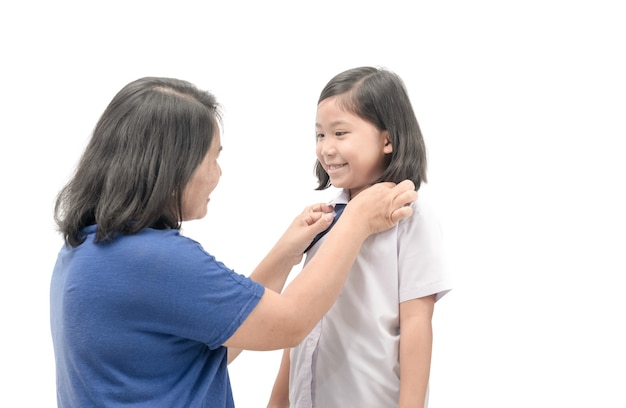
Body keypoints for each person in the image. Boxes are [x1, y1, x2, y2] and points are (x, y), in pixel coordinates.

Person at [49, 76, 418, 408]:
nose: (217, 173)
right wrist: (355, 221)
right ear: (172, 166)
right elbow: (289, 324)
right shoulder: (156, 261)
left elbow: (229, 336)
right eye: (212, 158)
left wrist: (286, 253)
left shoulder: (85, 251)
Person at [267, 66, 453, 408]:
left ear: (387, 139)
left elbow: (416, 325)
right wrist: (277, 402)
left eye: (340, 133)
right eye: (320, 135)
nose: (326, 149)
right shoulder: (323, 219)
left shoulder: (411, 217)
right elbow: (300, 321)